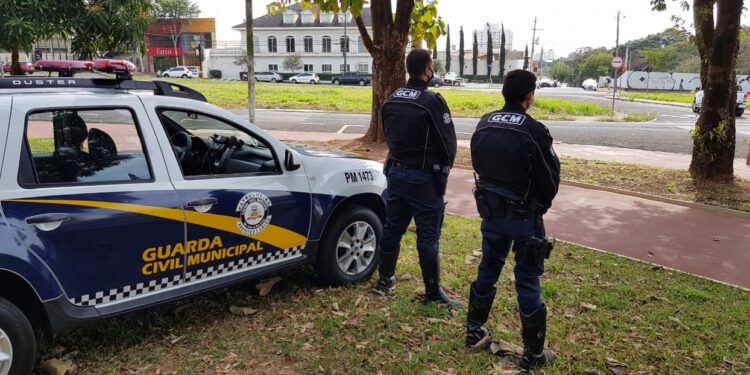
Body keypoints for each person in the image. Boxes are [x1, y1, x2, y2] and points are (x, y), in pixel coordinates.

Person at [465, 69, 560, 370]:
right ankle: (533, 352)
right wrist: (538, 206)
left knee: (489, 266)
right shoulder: (534, 129)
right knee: (528, 277)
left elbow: (477, 163)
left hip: (492, 211)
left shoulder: (484, 123)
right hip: (524, 214)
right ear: (529, 96)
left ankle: (473, 329)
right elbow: (549, 180)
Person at [375, 48, 461, 309]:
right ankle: (433, 293)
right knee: (427, 237)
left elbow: (388, 137)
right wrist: (443, 173)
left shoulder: (391, 100)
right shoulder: (431, 101)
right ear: (427, 69)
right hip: (423, 179)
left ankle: (385, 280)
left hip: (396, 173)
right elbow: (448, 145)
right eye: (431, 65)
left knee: (392, 229)